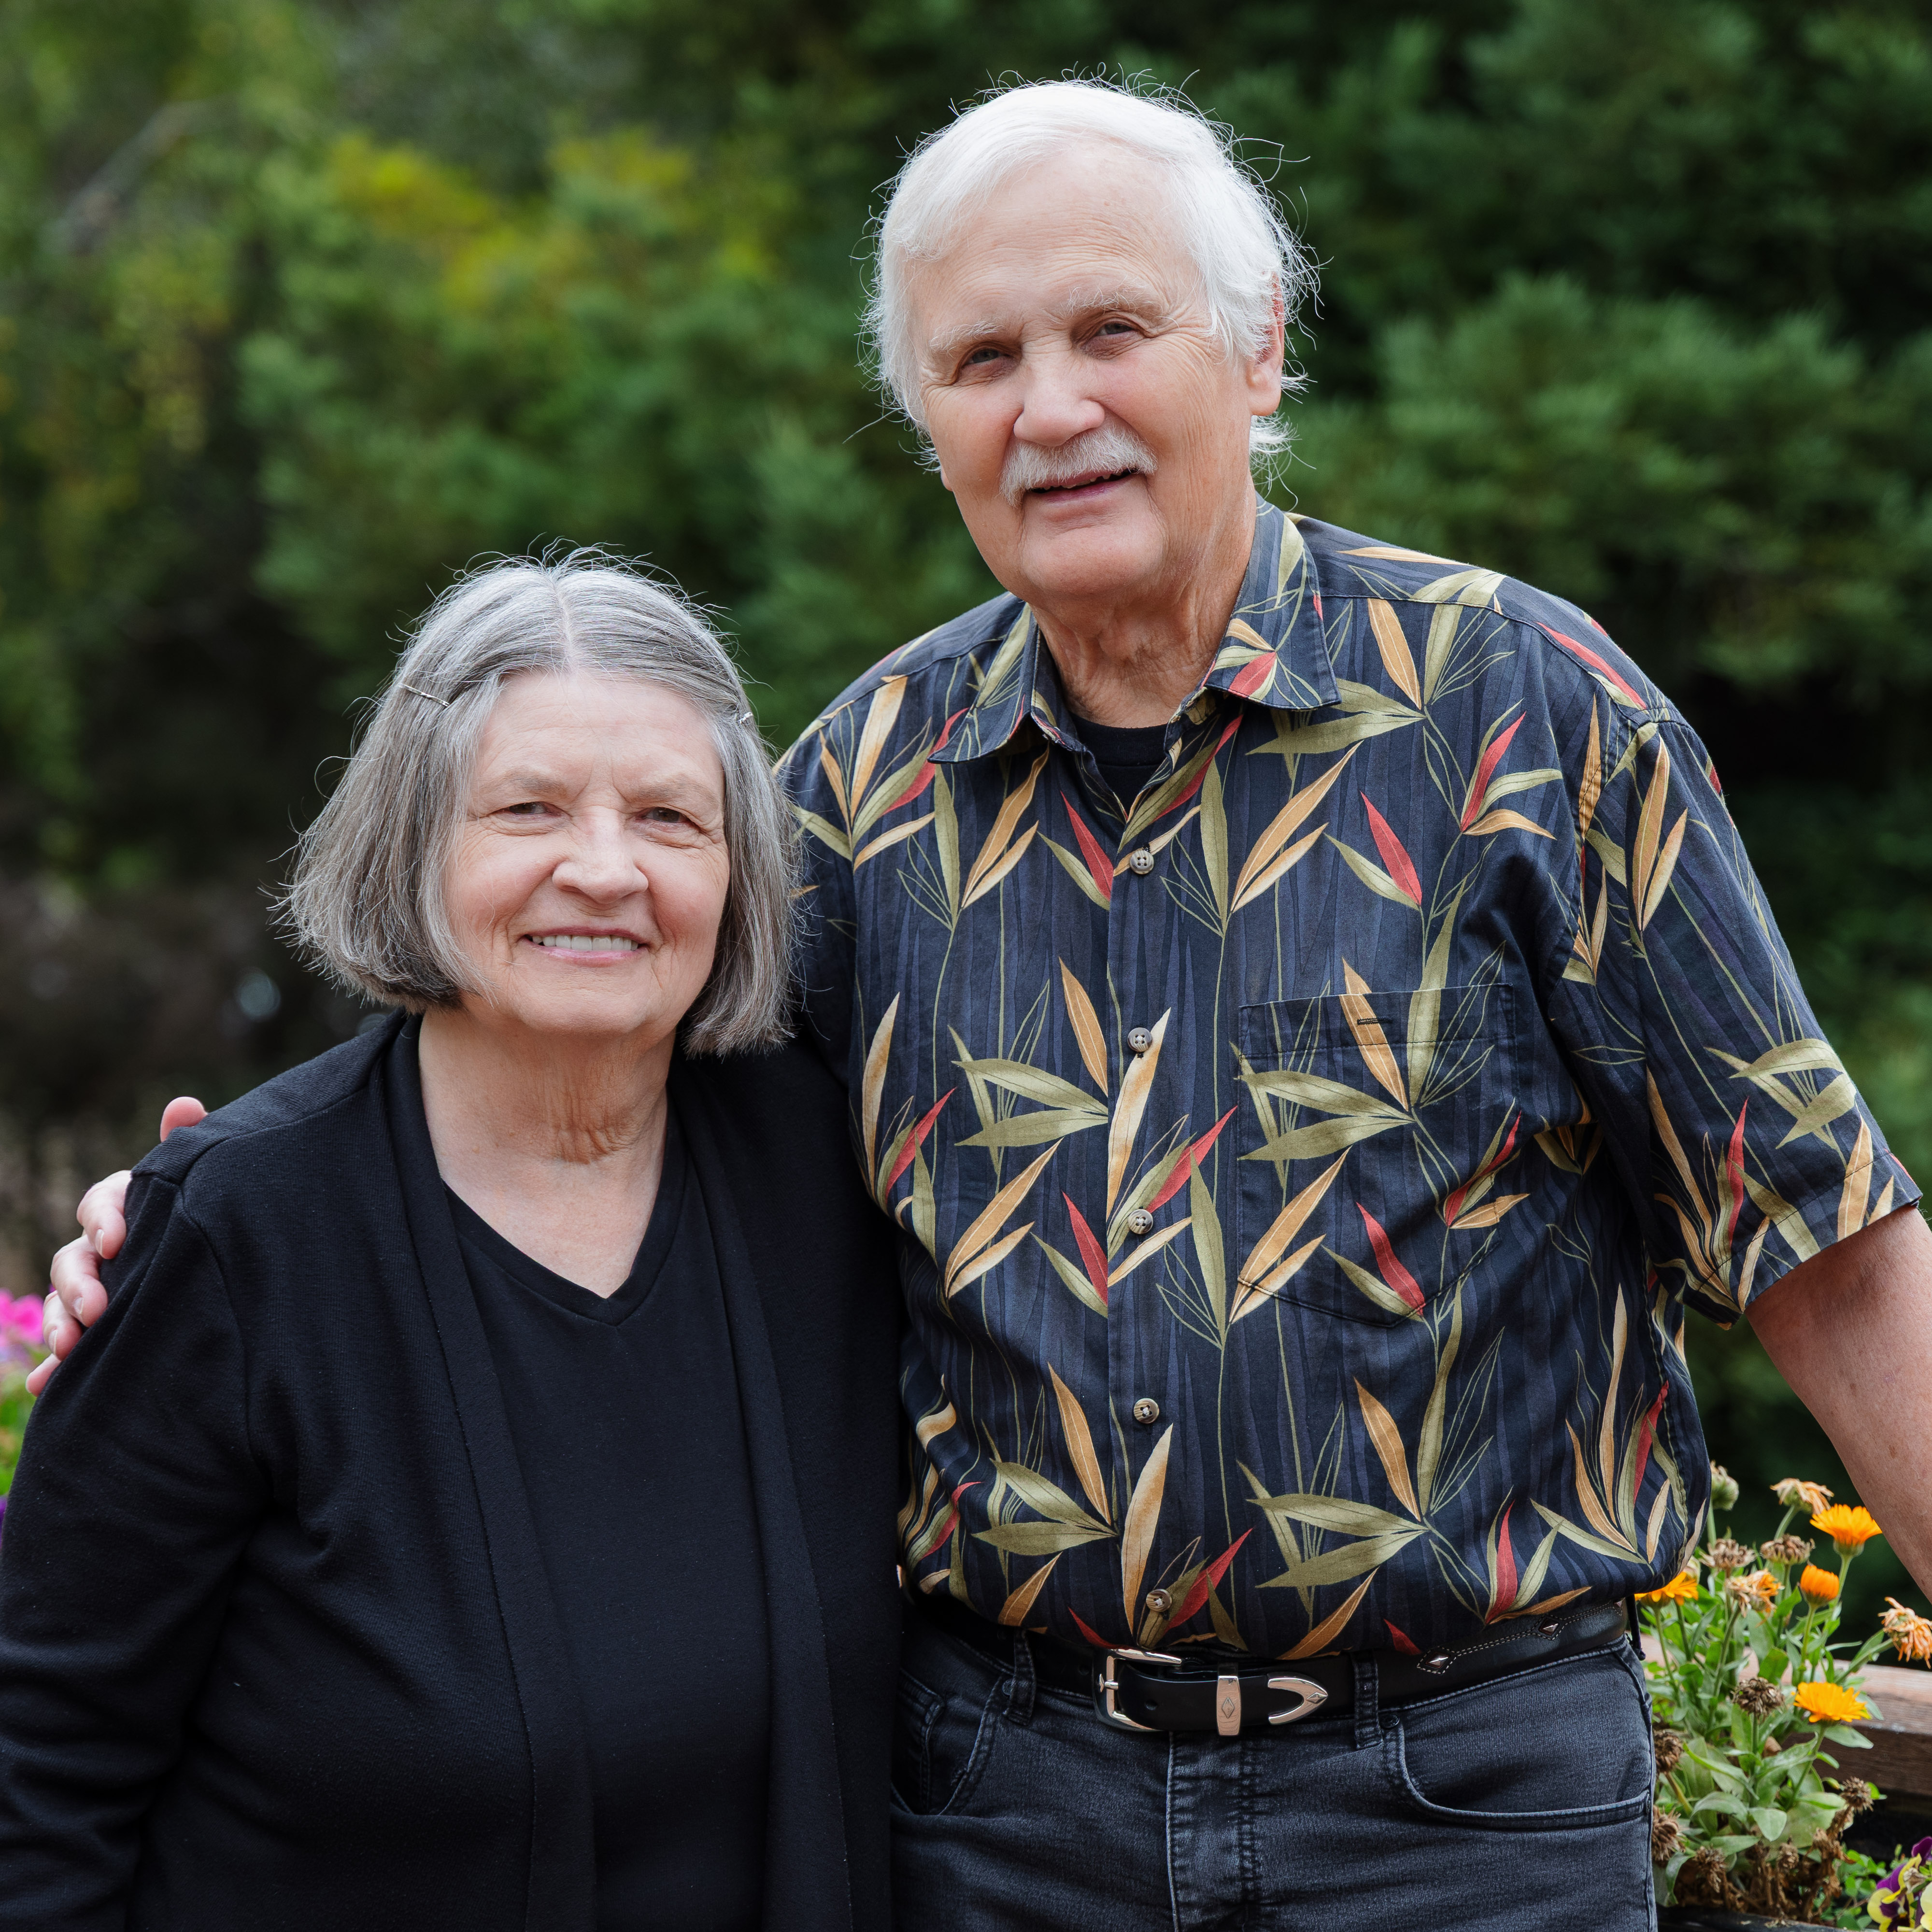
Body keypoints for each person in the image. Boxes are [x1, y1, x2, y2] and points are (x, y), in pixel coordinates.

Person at [43, 79, 1932, 1931]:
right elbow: (610, 1090)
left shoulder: (1520, 715)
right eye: (978, 360)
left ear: (1259, 352)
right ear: (926, 420)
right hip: (1007, 1809)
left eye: (1113, 329)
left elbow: (1826, 1243)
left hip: (1452, 1804)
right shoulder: (862, 785)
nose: (1052, 409)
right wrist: (237, 1212)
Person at [1, 555, 903, 1930]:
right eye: (528, 808)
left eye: (671, 818)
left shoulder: (830, 1175)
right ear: (416, 843)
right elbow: (40, 1772)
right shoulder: (244, 1235)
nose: (603, 869)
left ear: (739, 877)